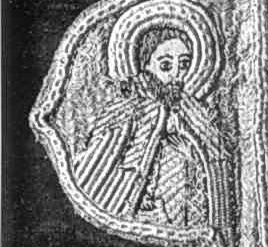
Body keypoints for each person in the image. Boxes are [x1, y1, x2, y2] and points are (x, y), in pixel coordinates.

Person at [75, 25, 225, 228]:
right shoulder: (127, 109)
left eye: (184, 64)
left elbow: (215, 161)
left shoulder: (194, 113)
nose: (176, 74)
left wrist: (192, 152)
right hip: (143, 216)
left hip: (186, 214)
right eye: (166, 65)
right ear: (145, 65)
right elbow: (98, 168)